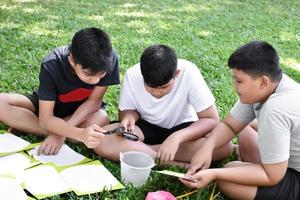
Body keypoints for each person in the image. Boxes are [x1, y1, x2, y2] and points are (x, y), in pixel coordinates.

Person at [181, 41, 300, 200]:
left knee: (227, 179)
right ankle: (251, 166)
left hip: (292, 174)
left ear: (263, 82)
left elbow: (273, 176)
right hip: (282, 163)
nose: (234, 86)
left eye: (239, 81)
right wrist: (207, 148)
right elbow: (230, 125)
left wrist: (215, 173)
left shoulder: (276, 109)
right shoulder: (271, 85)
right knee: (245, 131)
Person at [93, 44, 232, 164]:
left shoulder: (189, 72)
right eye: (150, 87)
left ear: (176, 74)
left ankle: (140, 151)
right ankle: (169, 161)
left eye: (164, 87)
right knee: (101, 140)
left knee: (224, 147)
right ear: (142, 75)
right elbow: (127, 111)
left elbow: (211, 119)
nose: (157, 93)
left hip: (184, 128)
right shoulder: (132, 74)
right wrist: (129, 118)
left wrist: (176, 138)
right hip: (145, 125)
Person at [0, 27, 120, 155]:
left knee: (102, 118)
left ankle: (31, 126)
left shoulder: (109, 59)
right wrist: (74, 133)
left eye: (101, 74)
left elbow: (93, 102)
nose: (96, 80)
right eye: (88, 74)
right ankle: (67, 133)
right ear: (72, 61)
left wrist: (62, 131)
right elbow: (46, 118)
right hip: (48, 106)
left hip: (83, 112)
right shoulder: (51, 64)